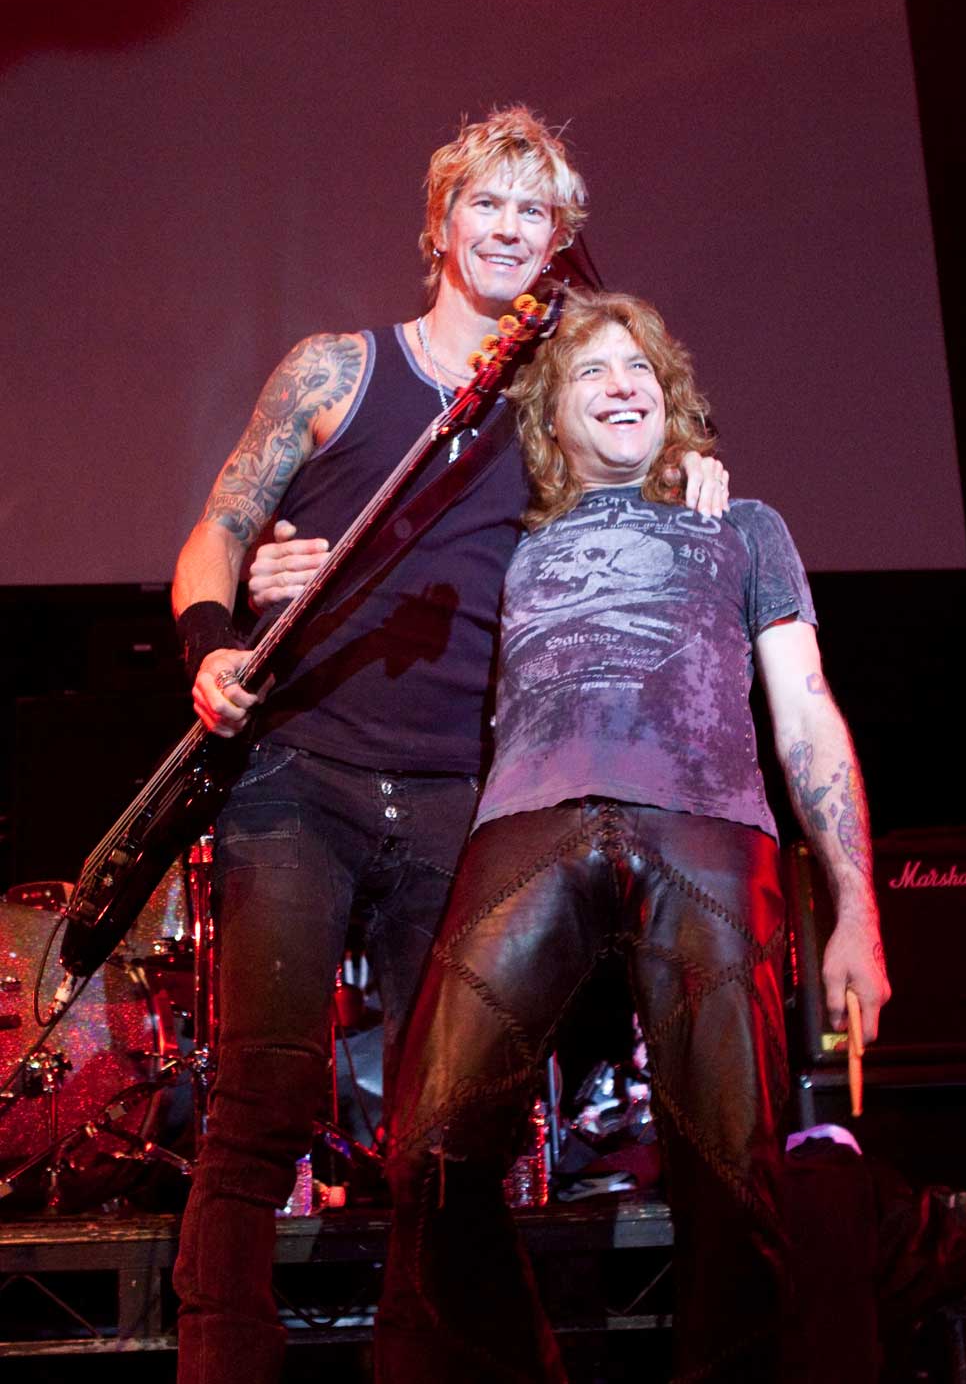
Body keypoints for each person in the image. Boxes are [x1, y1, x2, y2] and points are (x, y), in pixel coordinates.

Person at [170, 110, 728, 1384]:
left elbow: (651, 436)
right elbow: (215, 527)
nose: (508, 229)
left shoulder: (555, 400)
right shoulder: (337, 371)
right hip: (295, 778)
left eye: (534, 215)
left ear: (553, 244)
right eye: (488, 204)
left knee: (446, 1133)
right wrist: (215, 634)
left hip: (454, 801)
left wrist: (696, 468)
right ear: (440, 222)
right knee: (262, 1101)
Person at [372, 290, 892, 1383]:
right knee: (428, 1153)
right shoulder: (505, 546)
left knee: (733, 1179)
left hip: (704, 827)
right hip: (529, 826)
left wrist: (858, 912)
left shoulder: (743, 525)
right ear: (550, 421)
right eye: (592, 373)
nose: (622, 385)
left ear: (674, 404)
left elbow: (804, 712)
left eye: (641, 371)